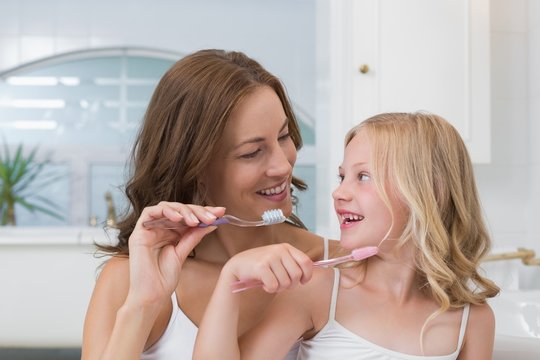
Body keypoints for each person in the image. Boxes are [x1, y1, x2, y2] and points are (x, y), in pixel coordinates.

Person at [81, 49, 334, 360]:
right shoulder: (131, 279)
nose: (282, 166)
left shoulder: (334, 264)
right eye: (252, 152)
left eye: (283, 136)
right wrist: (144, 303)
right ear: (195, 167)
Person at [193, 112, 501, 359]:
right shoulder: (317, 290)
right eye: (342, 176)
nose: (339, 192)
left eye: (363, 176)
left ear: (429, 192)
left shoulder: (472, 321)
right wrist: (229, 279)